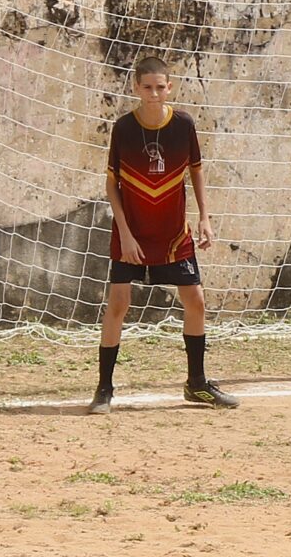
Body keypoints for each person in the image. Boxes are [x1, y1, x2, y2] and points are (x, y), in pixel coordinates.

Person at [90, 55, 236, 415]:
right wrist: (125, 234)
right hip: (132, 233)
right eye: (147, 87)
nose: (153, 93)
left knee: (196, 302)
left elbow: (196, 171)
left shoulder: (183, 125)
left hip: (173, 234)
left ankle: (196, 383)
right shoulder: (123, 128)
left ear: (169, 87)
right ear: (135, 88)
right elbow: (112, 185)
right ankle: (104, 389)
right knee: (119, 305)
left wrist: (205, 218)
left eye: (160, 87)